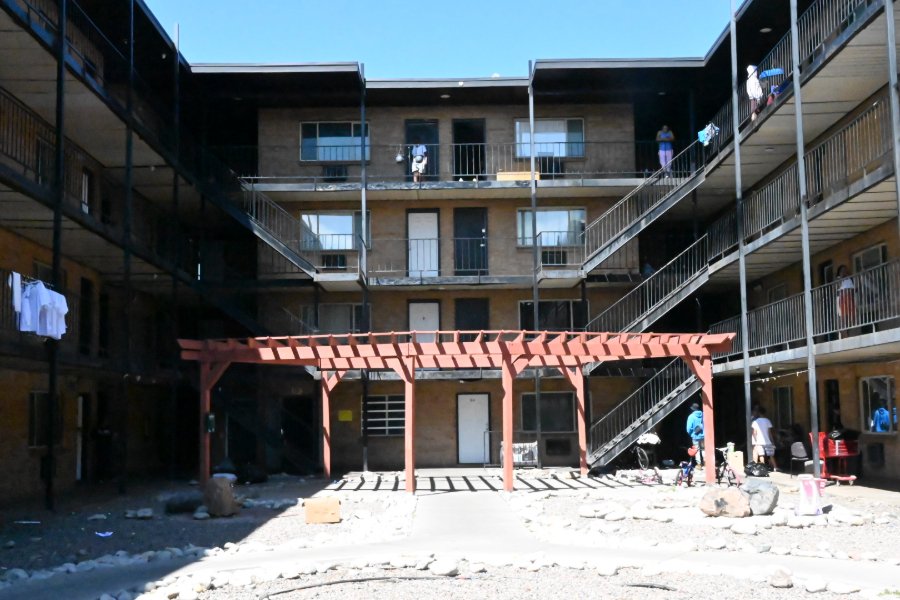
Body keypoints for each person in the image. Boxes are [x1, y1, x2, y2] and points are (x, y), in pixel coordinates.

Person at [752, 406, 779, 471]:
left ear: (758, 413)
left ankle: (763, 468)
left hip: (759, 442)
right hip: (767, 441)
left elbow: (754, 433)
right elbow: (770, 432)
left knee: (761, 455)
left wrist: (756, 440)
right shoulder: (768, 421)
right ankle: (775, 467)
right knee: (771, 455)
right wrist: (772, 440)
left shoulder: (755, 422)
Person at [836, 265, 855, 336]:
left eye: (845, 269)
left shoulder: (849, 278)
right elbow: (837, 286)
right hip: (842, 298)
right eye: (843, 270)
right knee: (844, 316)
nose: (845, 271)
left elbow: (852, 287)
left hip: (850, 297)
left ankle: (851, 331)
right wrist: (841, 277)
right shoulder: (838, 278)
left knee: (851, 315)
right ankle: (845, 333)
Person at [685, 402, 704, 468]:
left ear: (692, 409)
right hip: (704, 436)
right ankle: (706, 464)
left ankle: (699, 465)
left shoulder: (691, 416)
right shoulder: (704, 414)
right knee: (704, 449)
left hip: (695, 436)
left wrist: (692, 434)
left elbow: (688, 429)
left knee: (697, 450)